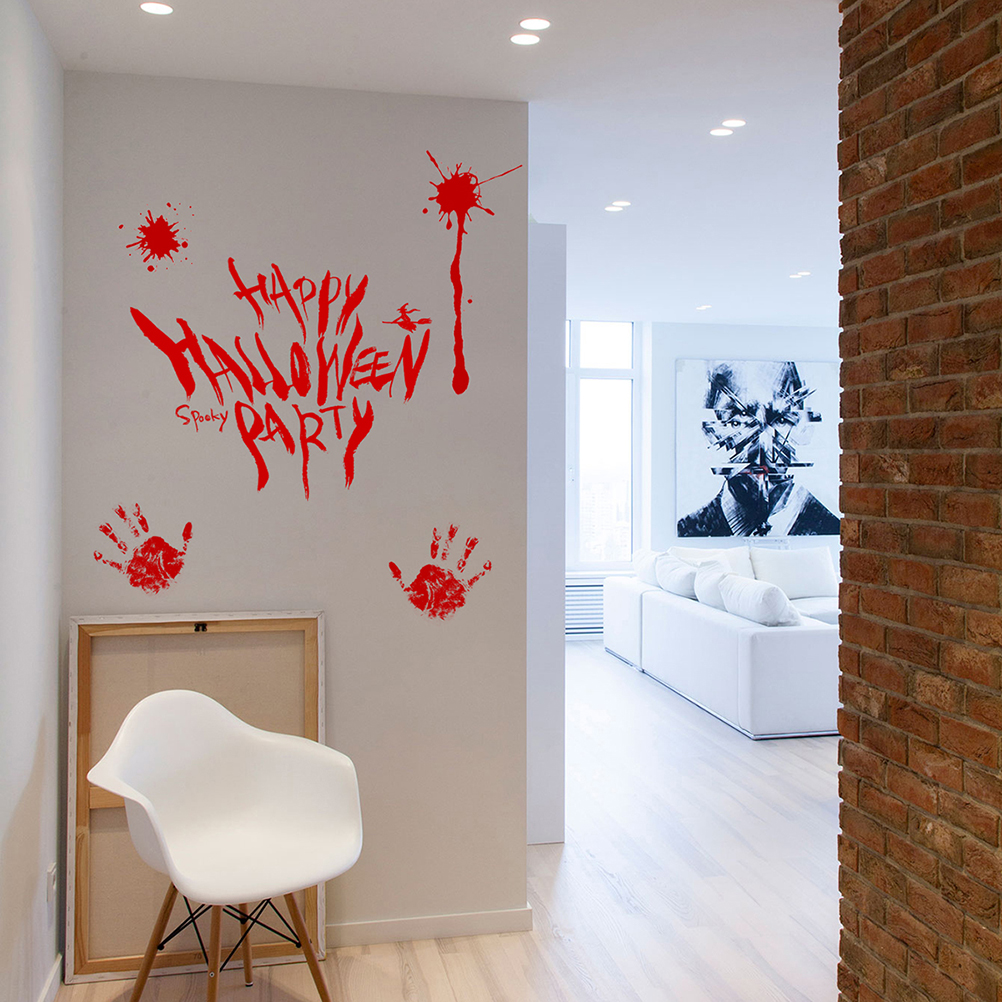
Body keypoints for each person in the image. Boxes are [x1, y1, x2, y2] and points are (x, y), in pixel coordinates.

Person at [677, 360, 840, 537]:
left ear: (802, 428)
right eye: (739, 420)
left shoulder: (833, 530)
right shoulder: (687, 531)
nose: (763, 444)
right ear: (711, 430)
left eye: (781, 419)